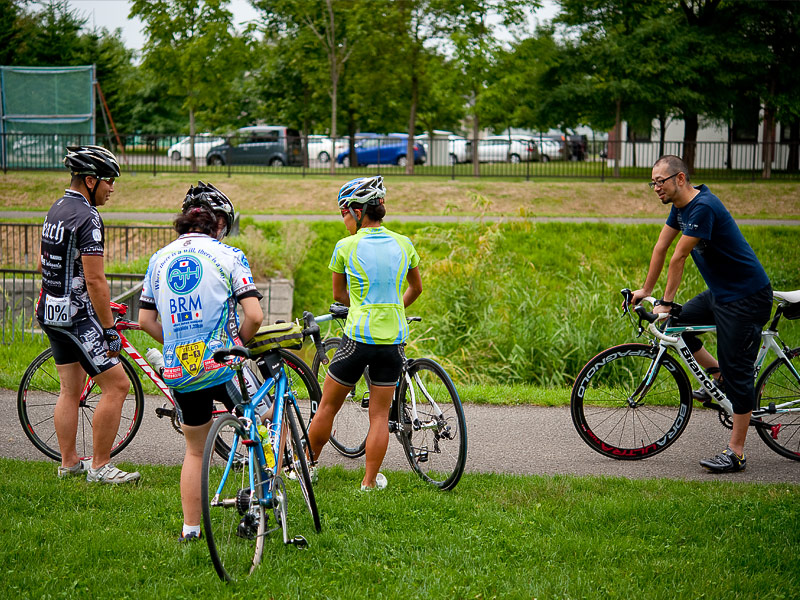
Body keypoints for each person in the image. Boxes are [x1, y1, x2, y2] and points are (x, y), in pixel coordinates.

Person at [138, 182, 263, 541]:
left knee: (195, 451)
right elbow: (253, 315)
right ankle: (257, 505)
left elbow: (146, 321)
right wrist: (238, 343)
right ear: (218, 225)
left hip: (180, 369)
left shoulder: (159, 258)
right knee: (264, 420)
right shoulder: (229, 255)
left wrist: (178, 344)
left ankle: (190, 530)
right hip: (222, 364)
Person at [631, 155, 772, 473]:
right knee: (679, 327)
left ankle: (736, 451)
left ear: (679, 179)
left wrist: (665, 302)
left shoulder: (703, 207)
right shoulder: (680, 208)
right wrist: (644, 289)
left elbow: (679, 256)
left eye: (659, 181)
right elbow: (661, 248)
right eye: (652, 182)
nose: (655, 187)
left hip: (745, 297)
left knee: (739, 374)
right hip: (722, 293)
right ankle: (718, 375)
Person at [307, 176, 423, 491]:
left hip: (358, 337)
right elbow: (416, 287)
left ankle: (308, 468)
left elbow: (340, 296)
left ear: (359, 212)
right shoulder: (403, 243)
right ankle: (369, 483)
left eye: (345, 213)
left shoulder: (346, 246)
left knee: (328, 405)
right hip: (394, 339)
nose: (344, 219)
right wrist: (393, 307)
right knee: (379, 416)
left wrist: (363, 305)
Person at [37, 145, 140, 484]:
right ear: (90, 180)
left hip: (50, 309)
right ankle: (100, 466)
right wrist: (108, 328)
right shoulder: (87, 216)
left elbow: (42, 263)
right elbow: (96, 279)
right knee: (117, 385)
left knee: (70, 389)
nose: (113, 188)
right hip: (77, 317)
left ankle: (69, 465)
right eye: (109, 181)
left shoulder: (57, 207)